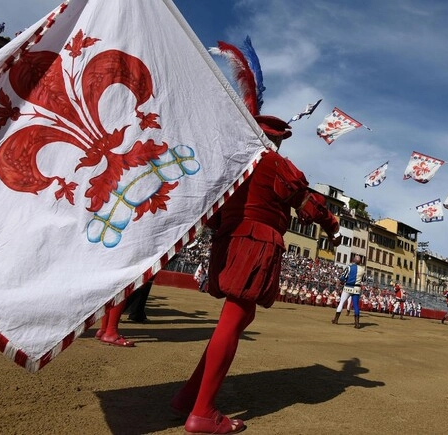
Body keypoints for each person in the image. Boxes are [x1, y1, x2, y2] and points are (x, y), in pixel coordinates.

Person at [170, 39, 342, 435]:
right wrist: (332, 227)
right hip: (257, 243)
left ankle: (189, 397)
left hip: (229, 242)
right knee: (234, 319)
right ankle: (202, 412)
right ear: (275, 138)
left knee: (236, 316)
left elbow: (213, 210)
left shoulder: (234, 165)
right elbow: (308, 204)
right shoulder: (276, 164)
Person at [332, 255, 365, 329]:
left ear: (353, 260)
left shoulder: (349, 267)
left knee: (341, 303)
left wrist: (339, 282)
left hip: (348, 287)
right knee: (356, 306)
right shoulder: (362, 270)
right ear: (360, 261)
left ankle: (336, 320)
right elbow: (364, 279)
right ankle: (357, 323)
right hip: (357, 288)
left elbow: (343, 277)